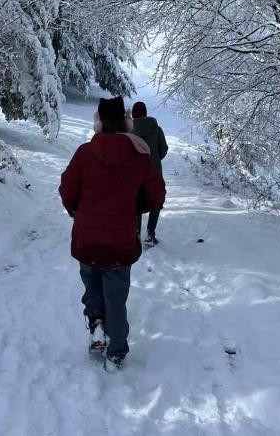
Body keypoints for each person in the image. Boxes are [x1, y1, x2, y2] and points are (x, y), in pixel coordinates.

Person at [59, 96, 165, 371]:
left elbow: (67, 190)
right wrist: (133, 208)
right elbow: (157, 194)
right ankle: (116, 351)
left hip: (87, 239)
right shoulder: (139, 155)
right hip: (120, 242)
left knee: (92, 287)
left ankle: (96, 325)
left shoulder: (84, 153)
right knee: (115, 299)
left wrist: (77, 212)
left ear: (99, 124)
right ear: (126, 123)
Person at [132, 101, 168, 246]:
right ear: (145, 113)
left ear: (134, 114)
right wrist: (155, 158)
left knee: (136, 201)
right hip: (153, 171)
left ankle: (136, 234)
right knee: (156, 200)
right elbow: (163, 149)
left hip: (134, 173)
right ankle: (150, 234)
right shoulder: (156, 129)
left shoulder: (129, 130)